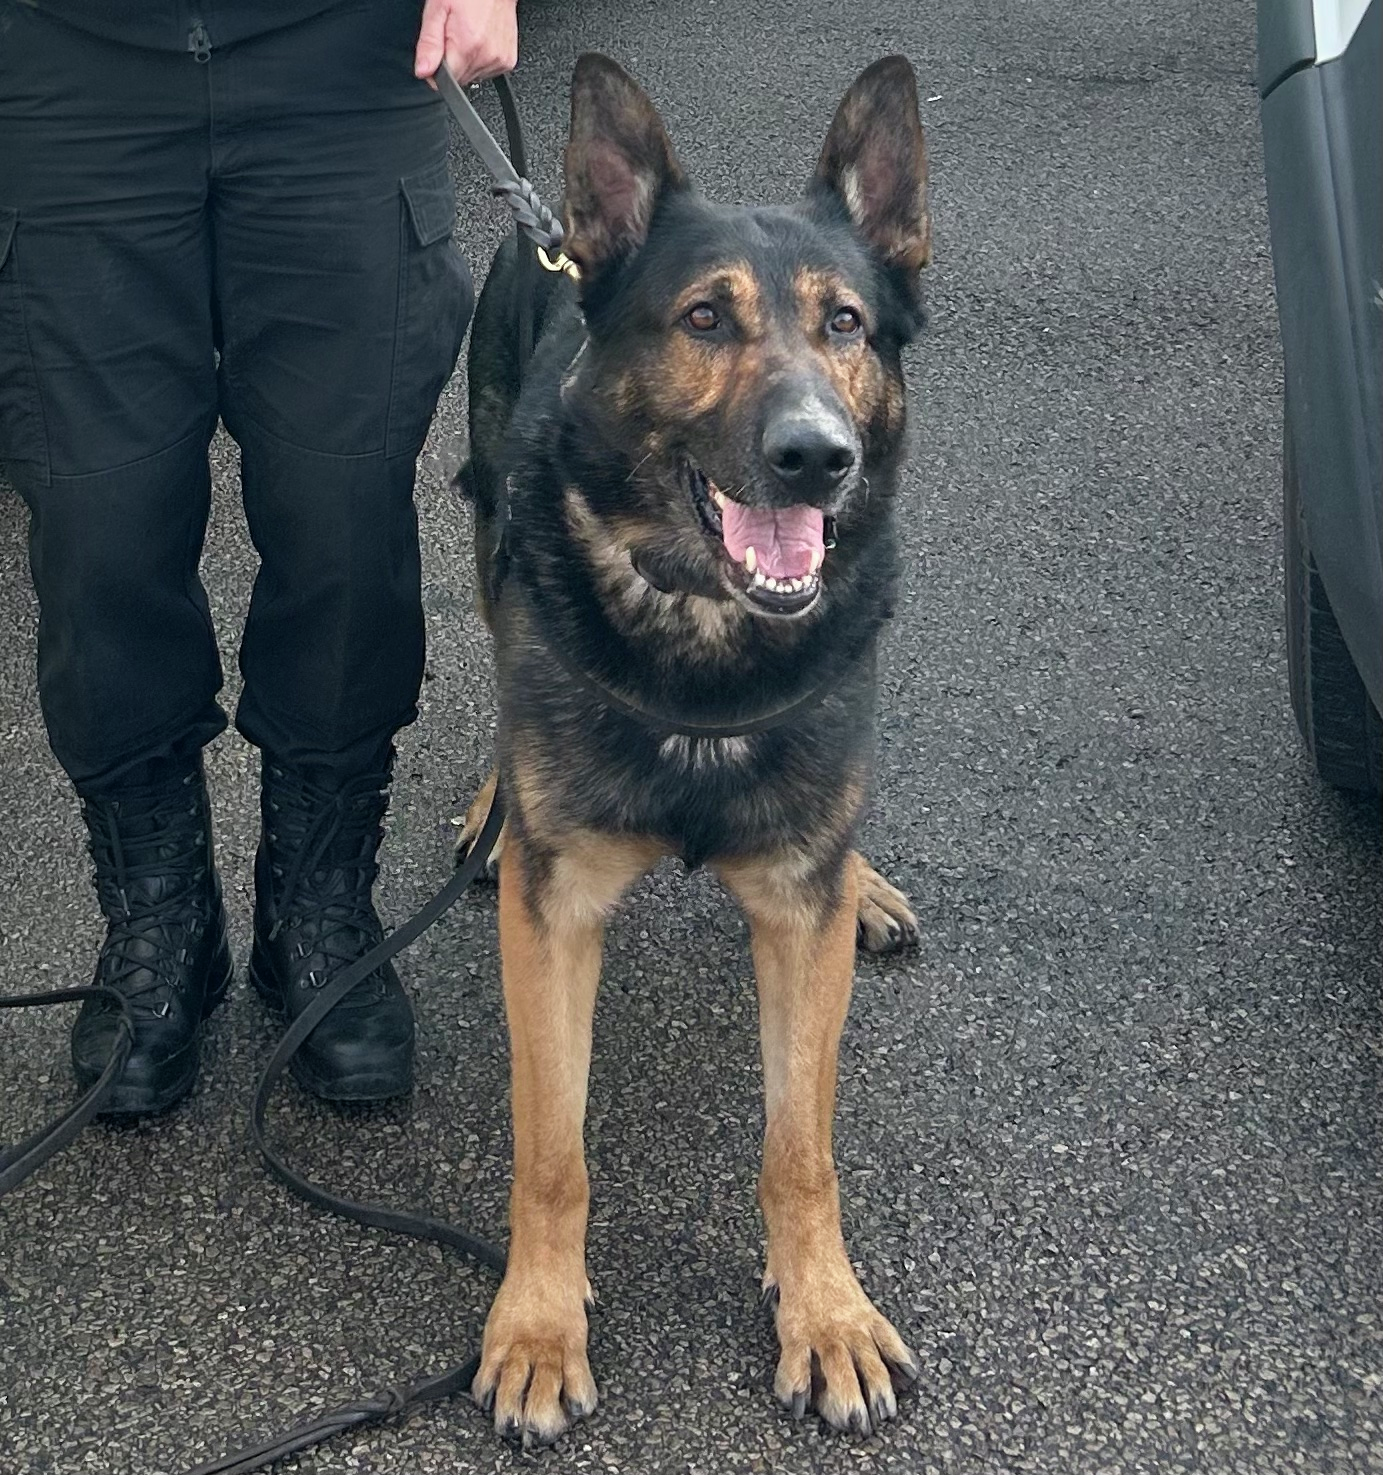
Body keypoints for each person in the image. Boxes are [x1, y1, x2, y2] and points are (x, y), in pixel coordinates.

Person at [0, 0, 517, 1114]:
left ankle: (316, 912)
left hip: (342, 51)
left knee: (342, 502)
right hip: (61, 61)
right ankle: (160, 919)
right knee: (99, 518)